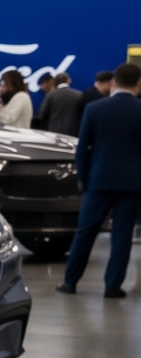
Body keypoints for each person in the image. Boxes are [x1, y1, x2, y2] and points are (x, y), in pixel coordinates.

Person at [61, 63, 141, 297]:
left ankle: (70, 282)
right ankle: (113, 286)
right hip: (132, 183)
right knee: (122, 234)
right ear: (138, 83)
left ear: (114, 82)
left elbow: (82, 148)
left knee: (86, 232)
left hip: (98, 180)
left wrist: (83, 179)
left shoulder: (94, 109)